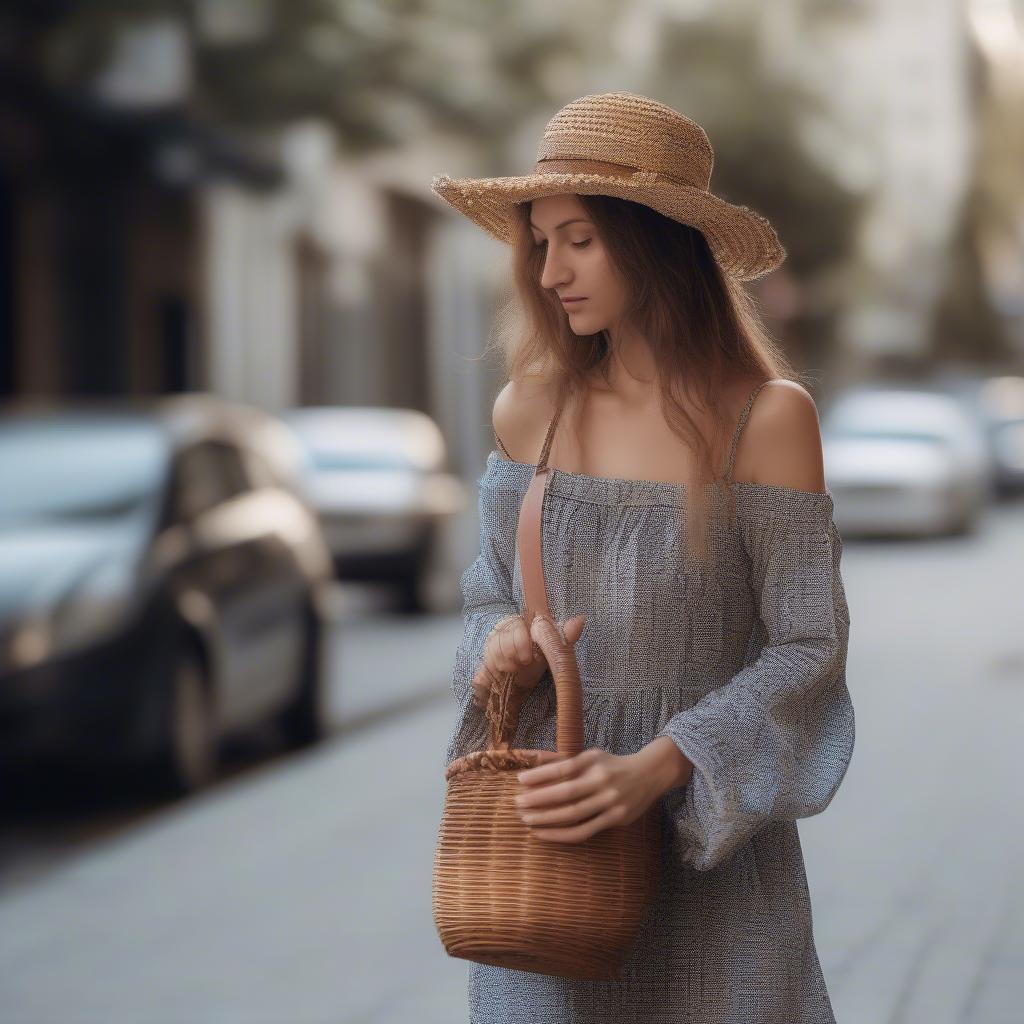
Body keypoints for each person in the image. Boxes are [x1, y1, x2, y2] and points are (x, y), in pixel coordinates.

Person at [432, 92, 855, 1024]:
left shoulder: (766, 417)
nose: (549, 273)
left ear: (658, 240)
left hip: (712, 848)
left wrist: (662, 765)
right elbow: (485, 597)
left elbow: (807, 647)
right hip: (549, 846)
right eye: (541, 243)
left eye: (578, 239)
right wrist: (499, 640)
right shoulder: (527, 410)